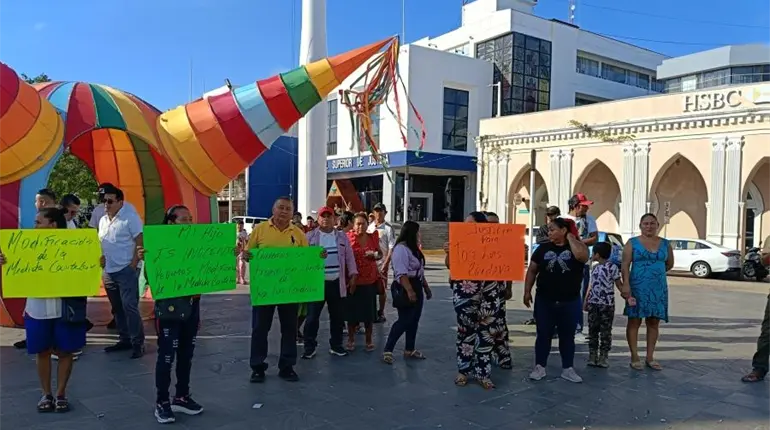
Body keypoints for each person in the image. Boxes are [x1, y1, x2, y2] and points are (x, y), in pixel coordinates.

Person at [0, 208, 94, 412]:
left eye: (38, 222)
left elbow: (88, 267)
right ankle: (46, 394)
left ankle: (61, 393)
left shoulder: (74, 244)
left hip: (65, 307)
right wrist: (5, 262)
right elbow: (16, 269)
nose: (34, 226)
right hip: (37, 308)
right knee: (41, 351)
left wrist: (97, 263)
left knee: (66, 350)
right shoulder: (24, 244)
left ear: (52, 224)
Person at [138, 205, 204, 423]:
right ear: (171, 222)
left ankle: (182, 396)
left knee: (187, 354)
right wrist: (146, 258)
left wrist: (225, 255)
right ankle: (162, 402)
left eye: (190, 219)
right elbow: (151, 276)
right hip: (170, 306)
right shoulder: (158, 243)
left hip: (193, 303)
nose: (188, 223)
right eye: (183, 219)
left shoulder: (197, 242)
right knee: (167, 356)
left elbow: (209, 266)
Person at [244, 197, 314, 382]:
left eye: (288, 209)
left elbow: (306, 259)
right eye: (281, 208)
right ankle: (257, 367)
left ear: (292, 213)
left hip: (289, 290)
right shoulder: (259, 230)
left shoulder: (298, 233)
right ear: (273, 209)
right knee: (260, 328)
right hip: (265, 289)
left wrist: (318, 257)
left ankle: (287, 366)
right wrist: (245, 255)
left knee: (290, 329)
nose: (284, 211)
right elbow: (249, 255)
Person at [443, 212, 504, 389]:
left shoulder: (494, 242)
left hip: (489, 294)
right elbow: (450, 265)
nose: (465, 227)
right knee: (464, 332)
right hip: (465, 293)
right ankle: (463, 370)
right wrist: (449, 252)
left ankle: (483, 373)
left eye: (470, 224)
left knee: (486, 334)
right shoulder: (459, 241)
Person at [524, 217, 588, 383]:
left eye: (553, 229)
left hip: (570, 300)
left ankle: (568, 368)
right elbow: (532, 270)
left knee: (567, 335)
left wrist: (571, 239)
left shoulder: (577, 247)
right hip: (545, 299)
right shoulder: (542, 248)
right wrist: (526, 291)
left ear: (564, 230)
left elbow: (582, 257)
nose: (550, 232)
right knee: (543, 333)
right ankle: (539, 366)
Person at [302, 206, 358, 359]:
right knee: (312, 317)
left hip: (336, 282)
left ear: (335, 219)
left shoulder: (341, 237)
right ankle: (309, 347)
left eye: (329, 216)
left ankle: (336, 345)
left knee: (337, 317)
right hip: (316, 284)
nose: (326, 219)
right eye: (323, 216)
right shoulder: (309, 237)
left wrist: (353, 274)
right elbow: (301, 259)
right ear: (318, 219)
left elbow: (349, 257)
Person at [99, 185, 146, 359]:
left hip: (126, 270)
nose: (106, 204)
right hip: (109, 271)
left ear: (120, 201)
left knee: (129, 307)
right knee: (117, 308)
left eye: (110, 201)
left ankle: (137, 342)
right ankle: (124, 339)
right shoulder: (103, 220)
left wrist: (133, 265)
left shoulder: (130, 218)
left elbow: (140, 240)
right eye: (103, 201)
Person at [622, 213, 672, 371]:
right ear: (640, 226)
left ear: (657, 225)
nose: (649, 226)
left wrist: (655, 273)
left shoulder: (665, 243)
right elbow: (625, 265)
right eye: (645, 224)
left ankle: (650, 357)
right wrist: (626, 285)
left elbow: (669, 263)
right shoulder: (632, 243)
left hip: (658, 288)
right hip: (637, 287)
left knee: (653, 322)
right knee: (634, 321)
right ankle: (635, 355)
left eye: (652, 223)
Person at [383, 221, 432, 364]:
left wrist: (425, 287)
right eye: (417, 231)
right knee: (405, 319)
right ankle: (388, 349)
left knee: (414, 319)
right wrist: (409, 291)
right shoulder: (401, 249)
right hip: (404, 286)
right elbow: (401, 273)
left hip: (416, 283)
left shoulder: (414, 249)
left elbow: (419, 271)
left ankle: (409, 348)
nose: (419, 234)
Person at [584, 242, 633, 368]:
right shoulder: (594, 268)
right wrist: (586, 300)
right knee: (592, 330)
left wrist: (627, 295)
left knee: (605, 331)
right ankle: (592, 354)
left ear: (597, 254)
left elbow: (618, 283)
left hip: (607, 304)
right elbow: (591, 285)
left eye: (593, 253)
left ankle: (603, 356)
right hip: (593, 303)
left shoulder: (613, 268)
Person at [562, 194, 598, 341]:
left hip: (582, 261)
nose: (586, 208)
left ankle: (577, 328)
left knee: (579, 294)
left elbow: (594, 237)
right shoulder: (563, 220)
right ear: (575, 206)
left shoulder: (589, 220)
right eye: (584, 205)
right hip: (565, 261)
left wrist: (578, 242)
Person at [347, 212, 382, 351]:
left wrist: (374, 255)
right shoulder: (347, 238)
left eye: (363, 223)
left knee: (369, 314)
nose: (360, 226)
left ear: (368, 224)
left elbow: (380, 253)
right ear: (353, 225)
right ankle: (351, 339)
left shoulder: (373, 237)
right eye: (358, 224)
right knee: (351, 313)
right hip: (353, 281)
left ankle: (368, 340)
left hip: (369, 280)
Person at [482, 211, 513, 370]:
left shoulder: (504, 244)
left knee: (500, 324)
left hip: (498, 291)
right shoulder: (474, 242)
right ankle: (482, 356)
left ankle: (503, 356)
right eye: (490, 223)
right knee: (481, 325)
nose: (494, 227)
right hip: (479, 293)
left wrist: (509, 287)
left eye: (496, 224)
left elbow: (510, 267)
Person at [525, 206, 561, 327]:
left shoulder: (562, 226)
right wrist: (552, 238)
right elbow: (539, 240)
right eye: (550, 214)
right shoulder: (543, 228)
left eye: (554, 214)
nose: (552, 217)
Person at [368, 203, 396, 323]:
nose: (378, 214)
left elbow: (391, 247)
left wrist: (385, 264)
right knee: (370, 289)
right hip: (370, 263)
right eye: (376, 211)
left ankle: (381, 311)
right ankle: (371, 311)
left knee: (382, 289)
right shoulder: (370, 227)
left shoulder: (388, 228)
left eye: (380, 211)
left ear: (385, 213)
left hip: (382, 263)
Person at [235, 220, 249, 284]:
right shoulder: (233, 232)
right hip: (234, 251)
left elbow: (247, 241)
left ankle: (242, 278)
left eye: (241, 226)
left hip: (242, 250)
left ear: (243, 226)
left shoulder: (244, 233)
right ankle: (237, 278)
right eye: (238, 227)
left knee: (242, 264)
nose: (239, 228)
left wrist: (246, 249)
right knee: (236, 265)